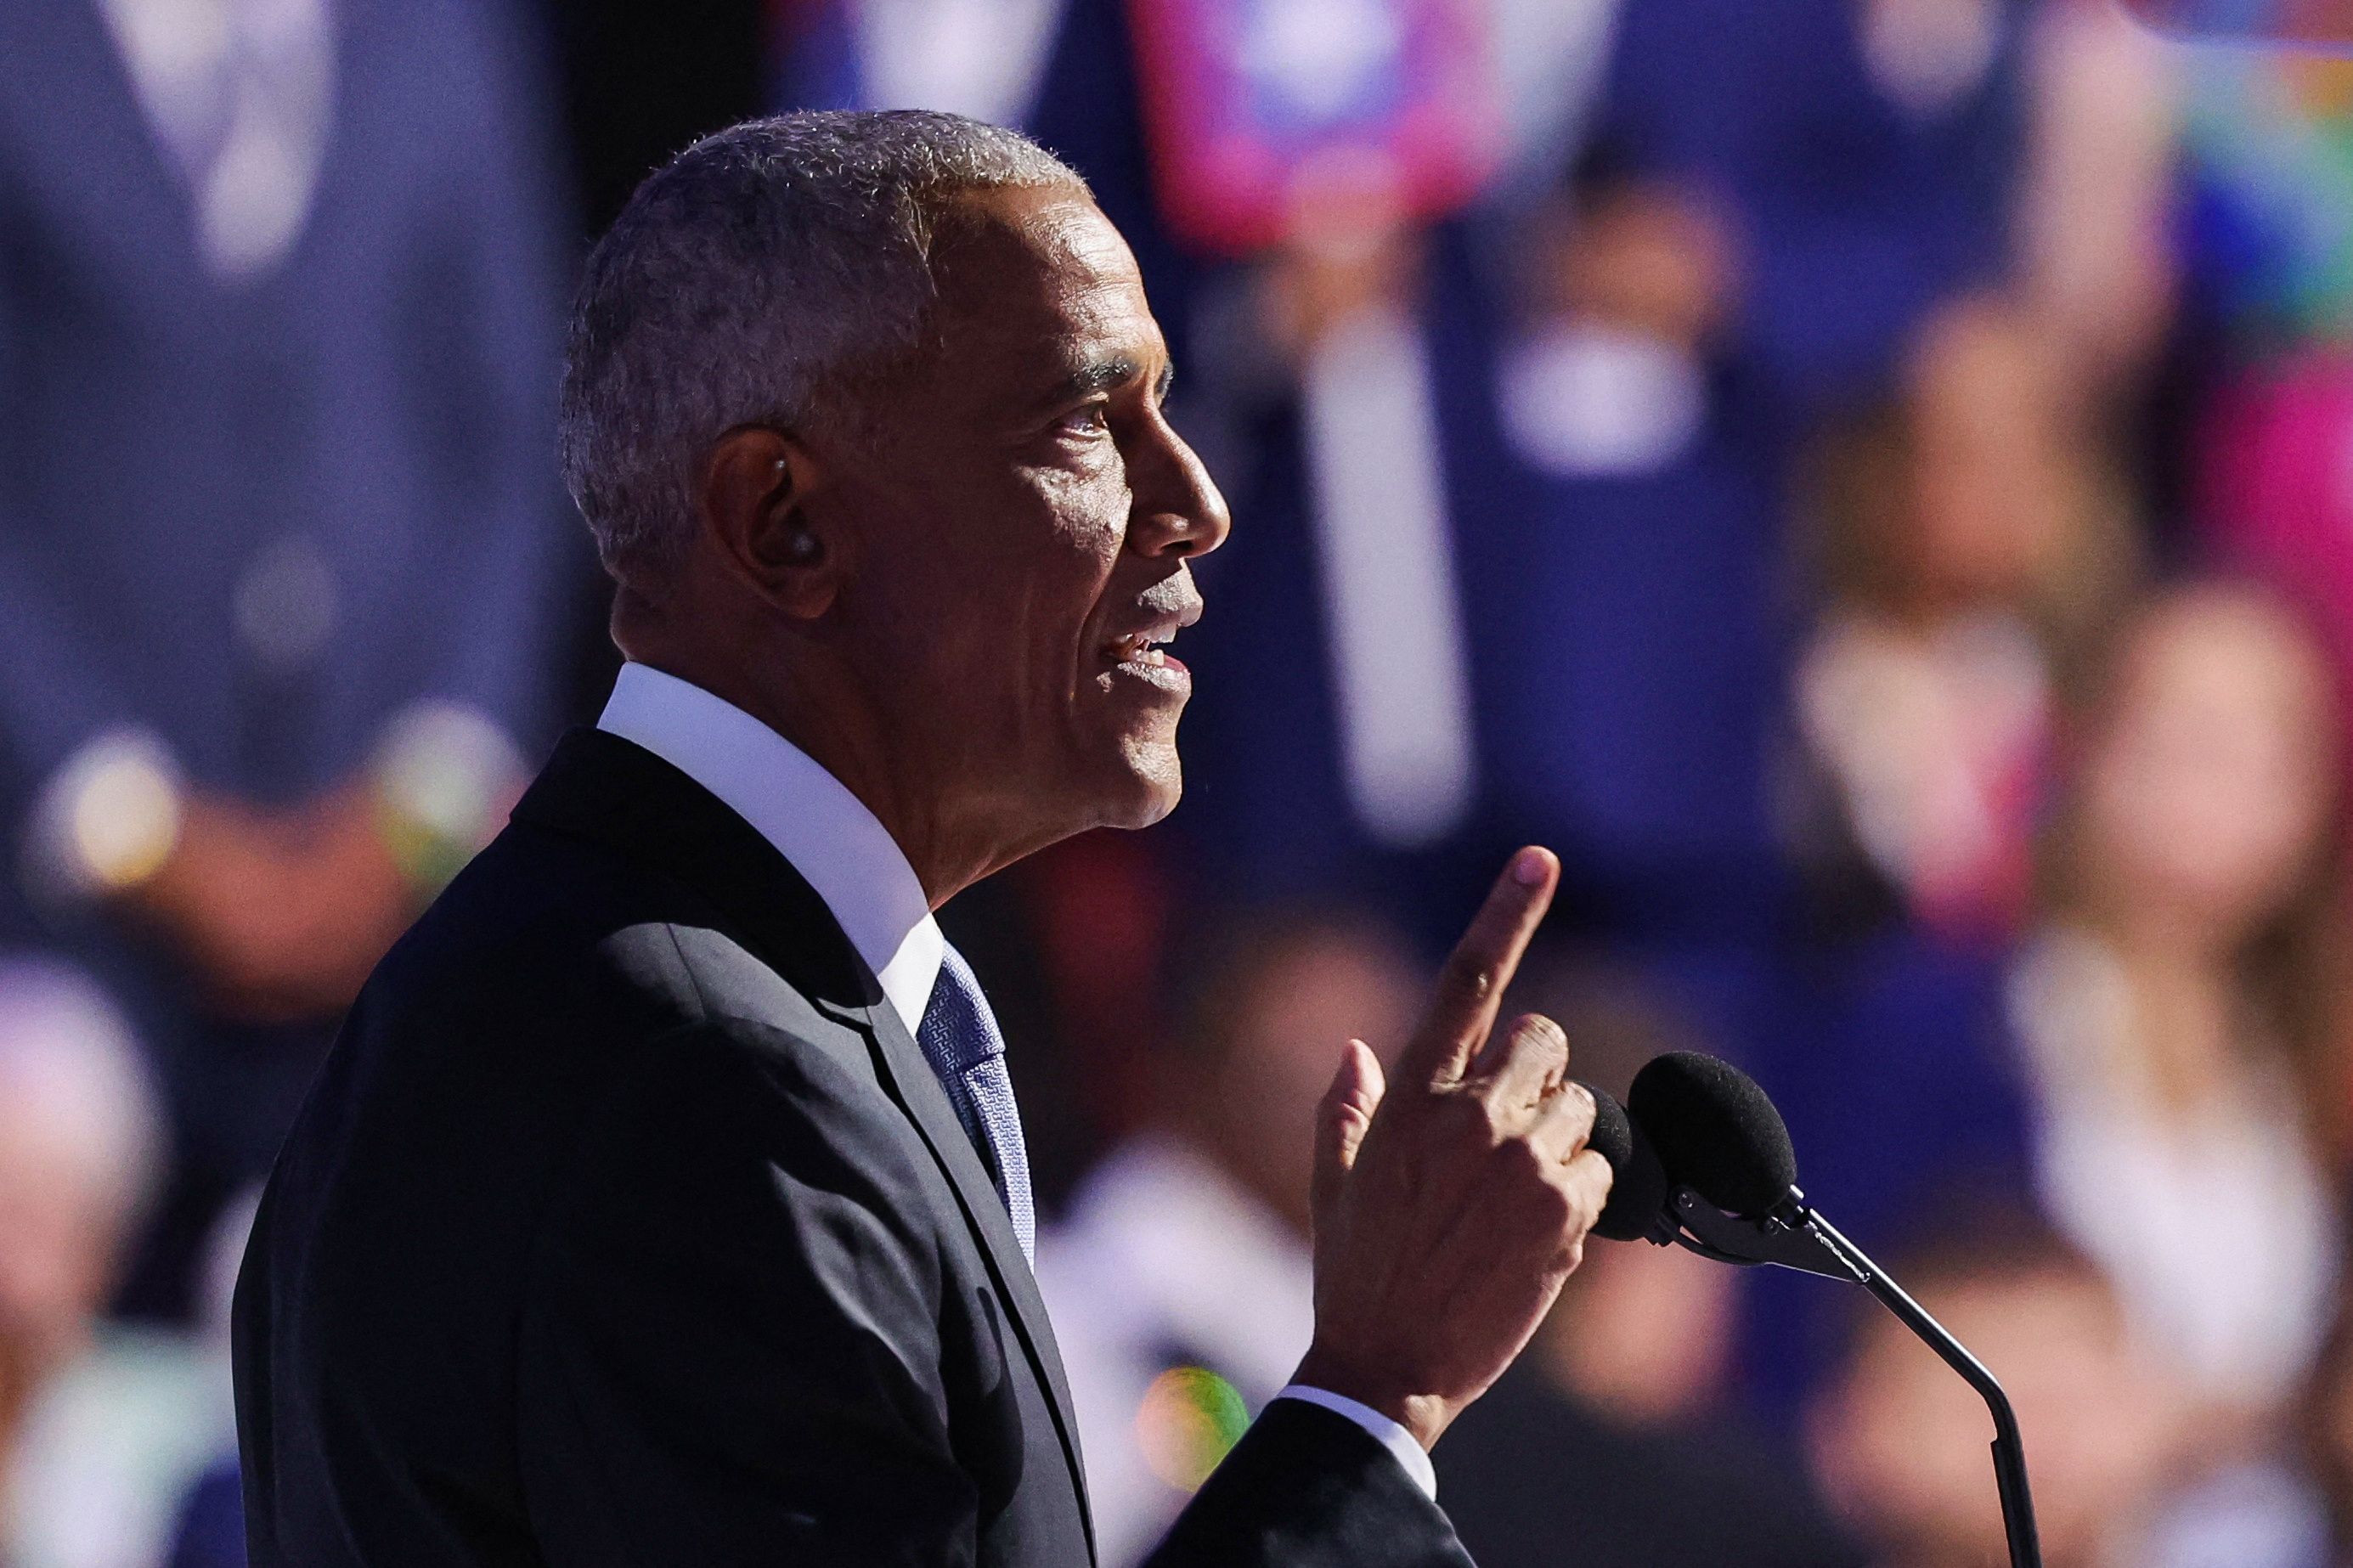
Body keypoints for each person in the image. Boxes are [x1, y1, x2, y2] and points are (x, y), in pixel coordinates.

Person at [233, 110, 1618, 1566]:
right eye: (1084, 422)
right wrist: (1372, 1397)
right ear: (782, 521)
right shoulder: (711, 1090)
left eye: (1162, 408)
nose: (1194, 504)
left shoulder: (624, 988)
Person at [1039, 907, 1427, 1565]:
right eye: (1310, 1046)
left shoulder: (1371, 1323)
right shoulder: (1092, 1297)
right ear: (1208, 1057)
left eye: (1386, 1056)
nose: (1348, 1089)